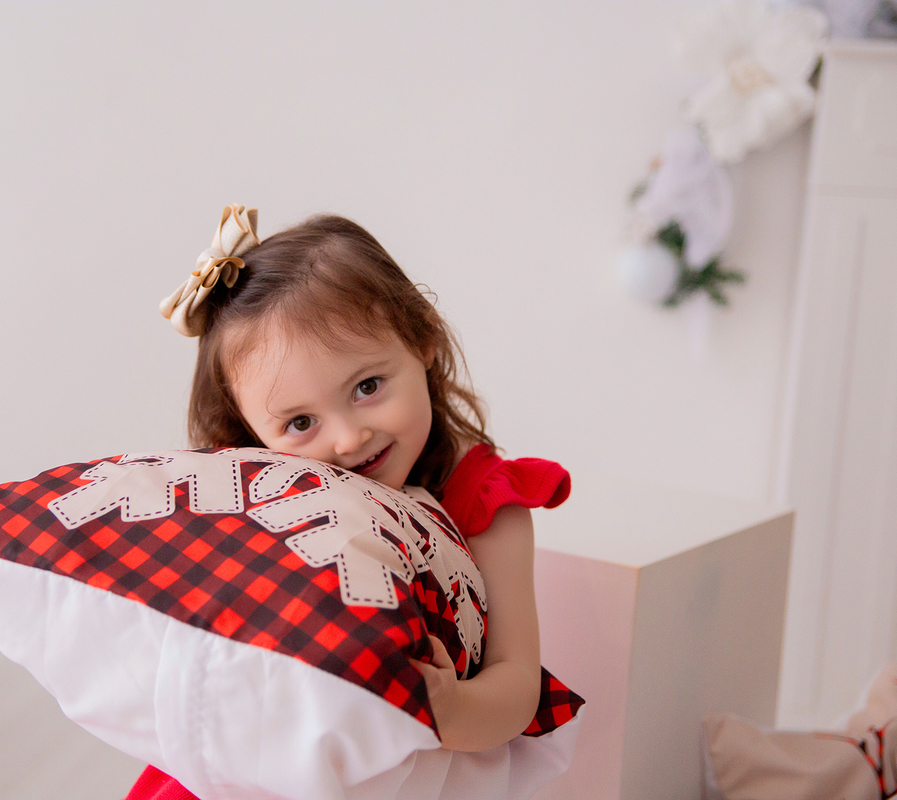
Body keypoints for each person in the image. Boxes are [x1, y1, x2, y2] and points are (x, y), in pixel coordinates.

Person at [126, 205, 571, 800]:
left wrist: (449, 706)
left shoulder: (484, 499)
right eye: (300, 422)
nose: (347, 439)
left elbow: (517, 684)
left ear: (423, 339)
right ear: (249, 431)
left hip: (413, 765)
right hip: (267, 749)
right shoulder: (259, 497)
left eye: (367, 387)